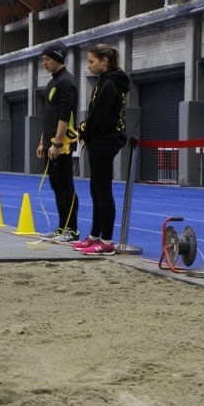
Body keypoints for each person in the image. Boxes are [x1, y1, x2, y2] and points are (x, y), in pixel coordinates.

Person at [72, 44, 129, 256]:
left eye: (91, 61)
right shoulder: (104, 81)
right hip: (99, 139)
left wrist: (83, 131)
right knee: (95, 190)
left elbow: (98, 115)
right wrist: (86, 133)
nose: (88, 66)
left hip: (105, 141)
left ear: (104, 61)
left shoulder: (110, 84)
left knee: (103, 191)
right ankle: (95, 236)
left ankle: (106, 242)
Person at [37, 42, 79, 244]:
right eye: (43, 59)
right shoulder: (52, 83)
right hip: (50, 144)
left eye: (47, 59)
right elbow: (49, 117)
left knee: (65, 187)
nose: (44, 63)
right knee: (56, 186)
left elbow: (64, 116)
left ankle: (72, 230)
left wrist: (57, 143)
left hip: (62, 146)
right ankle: (62, 227)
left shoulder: (66, 82)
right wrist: (43, 142)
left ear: (58, 58)